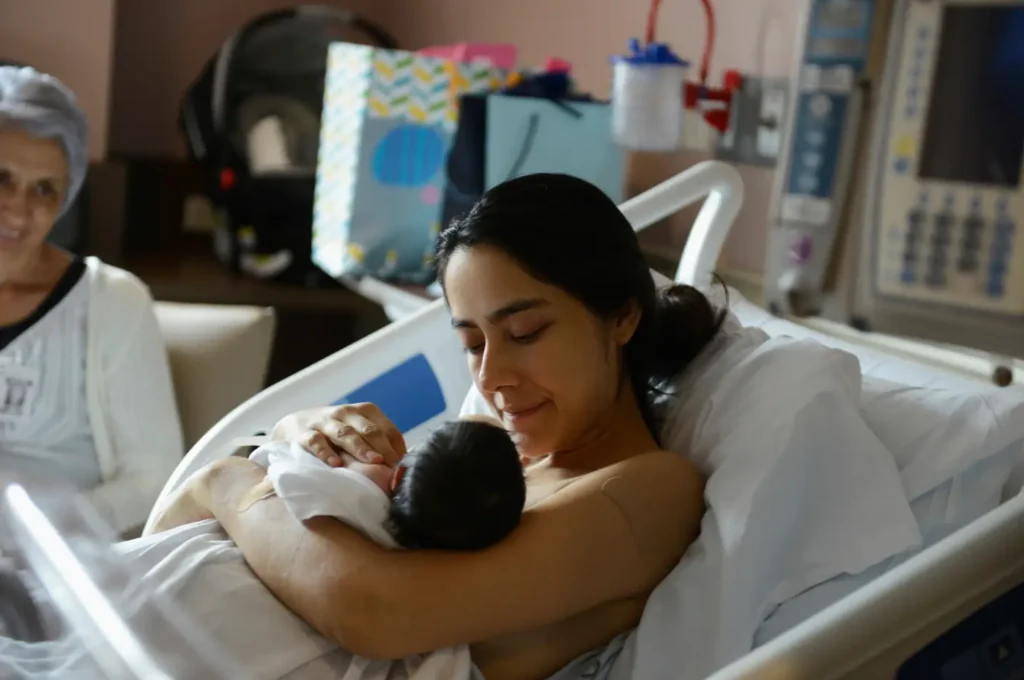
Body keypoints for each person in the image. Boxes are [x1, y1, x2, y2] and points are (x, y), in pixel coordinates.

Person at [175, 173, 719, 680]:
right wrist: (291, 439)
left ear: (623, 316)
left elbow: (375, 612)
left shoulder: (651, 492)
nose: (491, 377)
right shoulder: (482, 466)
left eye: (526, 332)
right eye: (472, 343)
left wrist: (228, 484)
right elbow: (170, 529)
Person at [0, 66, 183, 536]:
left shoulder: (113, 302)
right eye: (2, 178)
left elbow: (153, 480)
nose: (19, 209)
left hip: (50, 573)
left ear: (66, 198)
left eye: (44, 189)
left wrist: (33, 537)